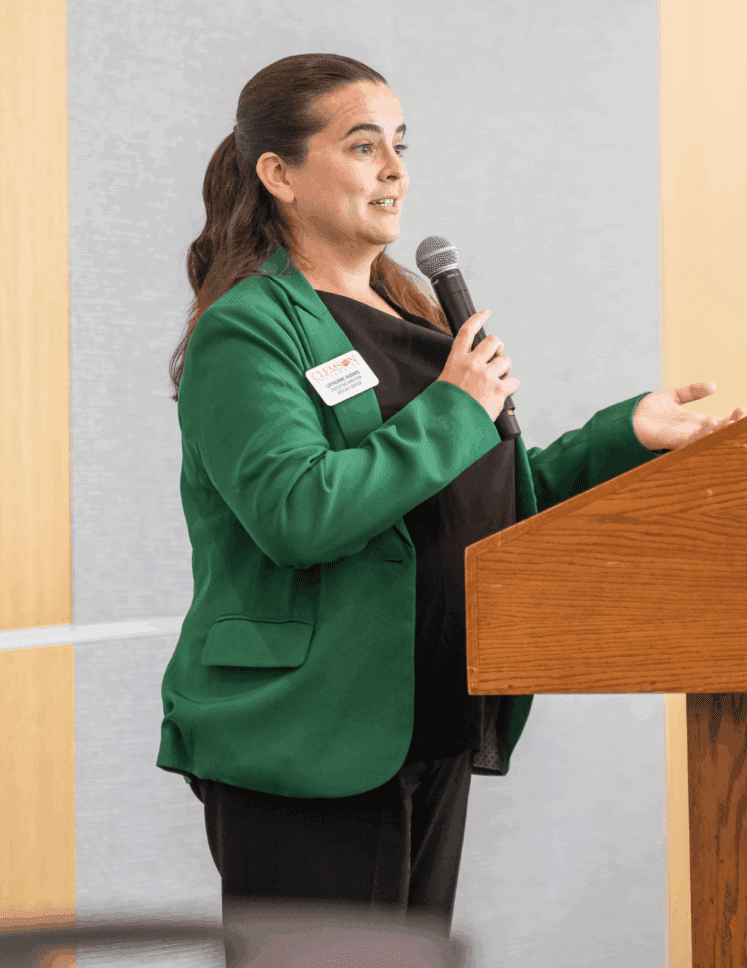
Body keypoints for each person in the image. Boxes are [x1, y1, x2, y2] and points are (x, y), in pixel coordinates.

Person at [157, 53, 746, 966]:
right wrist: (453, 408)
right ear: (279, 174)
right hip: (311, 731)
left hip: (422, 722)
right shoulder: (250, 327)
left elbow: (482, 510)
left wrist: (623, 436)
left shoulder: (415, 316)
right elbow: (297, 512)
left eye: (400, 145)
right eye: (362, 146)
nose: (394, 168)